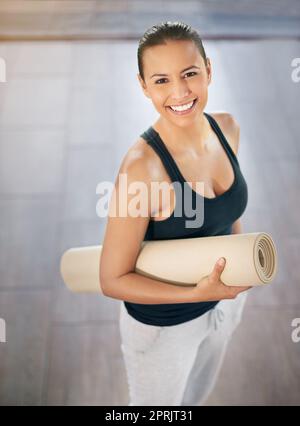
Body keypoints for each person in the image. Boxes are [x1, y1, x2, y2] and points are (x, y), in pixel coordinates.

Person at [100, 21, 252, 406]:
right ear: (144, 86)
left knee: (195, 402)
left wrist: (242, 263)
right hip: (164, 327)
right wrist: (193, 292)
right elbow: (111, 279)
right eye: (162, 80)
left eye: (190, 74)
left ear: (209, 70)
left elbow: (228, 215)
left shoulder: (227, 128)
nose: (180, 92)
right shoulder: (142, 168)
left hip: (222, 305)